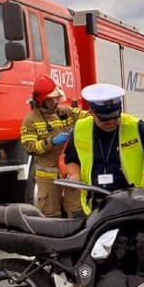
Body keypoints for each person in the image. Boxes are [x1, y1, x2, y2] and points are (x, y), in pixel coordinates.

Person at [64, 83, 144, 214]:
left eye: (115, 116)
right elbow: (71, 158)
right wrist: (75, 175)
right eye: (105, 119)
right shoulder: (80, 129)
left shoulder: (134, 127)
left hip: (136, 204)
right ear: (92, 112)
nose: (111, 122)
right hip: (97, 207)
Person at [20, 75, 87, 217]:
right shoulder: (31, 120)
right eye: (51, 100)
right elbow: (29, 147)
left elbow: (87, 117)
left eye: (56, 99)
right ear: (41, 100)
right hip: (48, 178)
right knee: (51, 216)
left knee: (77, 211)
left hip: (70, 174)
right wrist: (51, 142)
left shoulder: (64, 112)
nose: (55, 102)